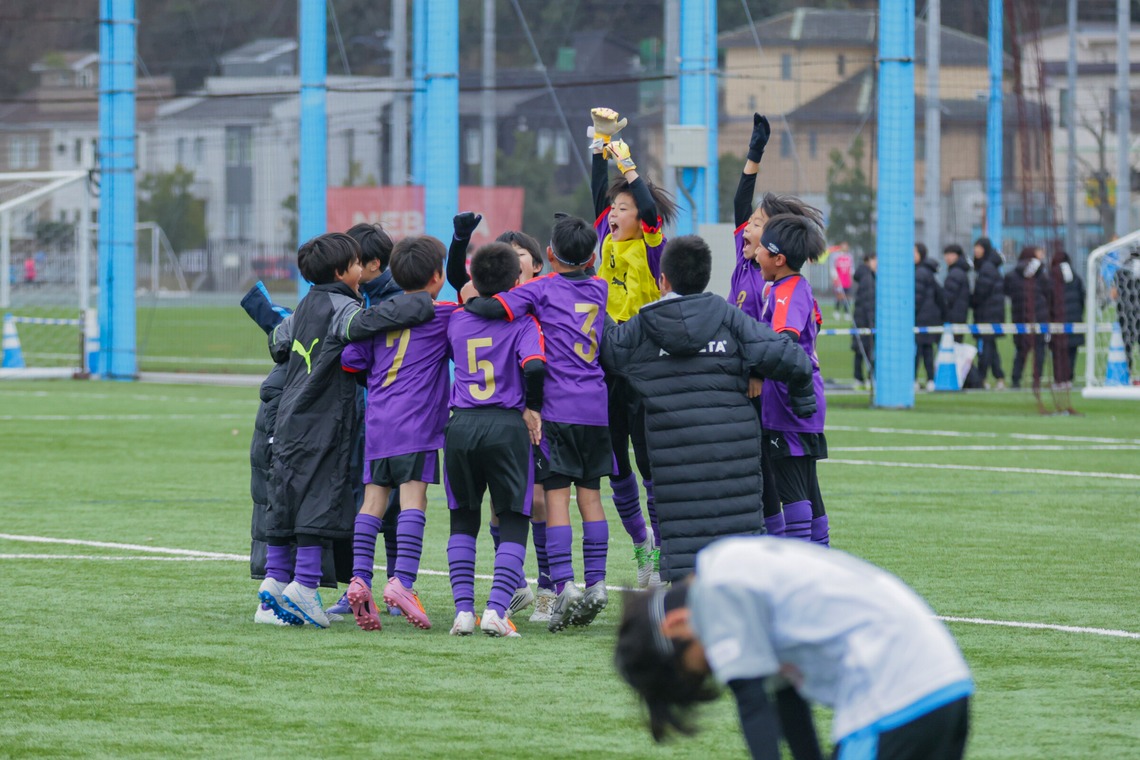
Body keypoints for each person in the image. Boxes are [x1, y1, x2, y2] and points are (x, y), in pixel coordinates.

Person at [614, 536, 974, 760]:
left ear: (675, 624)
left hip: (892, 699)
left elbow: (752, 702)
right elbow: (787, 701)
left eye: (702, 666)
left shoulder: (719, 586)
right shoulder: (743, 580)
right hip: (944, 684)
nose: (715, 668)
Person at [601, 235, 815, 583]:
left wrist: (592, 293)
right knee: (740, 570)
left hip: (675, 467)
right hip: (736, 461)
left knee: (688, 577)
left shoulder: (642, 328)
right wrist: (802, 402)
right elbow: (792, 357)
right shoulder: (730, 319)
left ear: (663, 281)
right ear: (705, 278)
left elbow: (607, 350)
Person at [258, 232, 437, 628]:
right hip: (324, 419)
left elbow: (277, 341)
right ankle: (304, 587)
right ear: (342, 272)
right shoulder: (343, 307)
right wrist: (420, 303)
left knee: (287, 496)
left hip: (289, 415)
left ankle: (274, 582)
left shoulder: (304, 306)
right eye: (357, 263)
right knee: (318, 499)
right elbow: (368, 323)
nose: (363, 270)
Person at [464, 215, 612, 632]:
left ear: (547, 256)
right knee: (592, 498)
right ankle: (597, 583)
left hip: (557, 408)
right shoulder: (599, 288)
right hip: (595, 408)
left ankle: (564, 584)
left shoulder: (539, 290)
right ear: (593, 257)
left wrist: (469, 300)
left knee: (557, 498)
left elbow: (494, 306)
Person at [340, 235, 457, 632]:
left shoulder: (379, 315)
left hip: (378, 423)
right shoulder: (443, 315)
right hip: (417, 425)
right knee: (413, 500)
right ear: (437, 277)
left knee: (372, 502)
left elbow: (351, 359)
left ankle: (359, 578)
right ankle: (403, 582)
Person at [445, 213, 556, 622]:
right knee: (513, 516)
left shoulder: (456, 318)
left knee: (463, 517)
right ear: (515, 280)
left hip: (461, 425)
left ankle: (463, 612)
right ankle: (497, 609)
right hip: (509, 424)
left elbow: (459, 286)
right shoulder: (523, 318)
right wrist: (532, 407)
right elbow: (535, 367)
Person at [590, 106, 678, 588]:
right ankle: (643, 548)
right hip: (607, 359)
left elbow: (647, 205)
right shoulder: (606, 238)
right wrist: (601, 143)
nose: (615, 214)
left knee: (650, 462)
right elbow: (594, 192)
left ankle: (665, 553)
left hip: (644, 356)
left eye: (624, 208)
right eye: (615, 209)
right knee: (616, 463)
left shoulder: (650, 242)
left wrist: (630, 169)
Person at [727, 114, 824, 538]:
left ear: (777, 249)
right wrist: (754, 154)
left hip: (772, 390)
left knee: (783, 479)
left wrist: (760, 373)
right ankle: (788, 554)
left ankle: (795, 560)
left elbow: (784, 342)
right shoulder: (749, 264)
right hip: (757, 386)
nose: (748, 227)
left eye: (758, 224)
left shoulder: (779, 284)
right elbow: (738, 204)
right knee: (769, 478)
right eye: (749, 223)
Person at [756, 214, 832, 546]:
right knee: (809, 490)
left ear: (779, 258)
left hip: (790, 407)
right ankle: (821, 562)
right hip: (802, 404)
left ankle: (802, 568)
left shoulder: (787, 290)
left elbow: (784, 340)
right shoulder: (793, 287)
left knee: (793, 489)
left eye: (761, 248)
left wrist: (753, 364)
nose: (756, 253)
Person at [1004, 246, 1051, 390]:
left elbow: (1006, 291)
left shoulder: (1011, 275)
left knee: (1021, 351)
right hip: (1039, 317)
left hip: (1020, 317)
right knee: (1039, 350)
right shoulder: (1041, 274)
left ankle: (1015, 380)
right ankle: (1036, 381)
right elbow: (1049, 292)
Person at [970, 237, 1006, 389]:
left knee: (986, 347)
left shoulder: (987, 268)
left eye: (979, 247)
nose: (976, 250)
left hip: (988, 314)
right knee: (990, 345)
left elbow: (981, 292)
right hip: (990, 312)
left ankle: (982, 378)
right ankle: (999, 378)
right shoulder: (987, 267)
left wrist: (971, 301)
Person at [1049, 250, 1084, 389]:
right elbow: (1082, 299)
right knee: (1071, 351)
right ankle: (1068, 379)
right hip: (1074, 319)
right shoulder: (1076, 277)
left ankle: (1059, 379)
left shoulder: (1051, 277)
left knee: (1058, 351)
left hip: (1058, 320)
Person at [914, 243, 946, 390]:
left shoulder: (919, 273)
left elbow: (917, 297)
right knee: (927, 349)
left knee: (918, 351)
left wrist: (911, 313)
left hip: (921, 318)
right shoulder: (927, 272)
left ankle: (914, 380)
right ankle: (930, 380)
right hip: (930, 317)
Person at [1112, 248, 1140, 374]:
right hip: (1134, 312)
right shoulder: (1123, 271)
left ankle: (1126, 373)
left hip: (1125, 312)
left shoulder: (1120, 271)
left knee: (1126, 346)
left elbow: (1114, 293)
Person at [851, 252, 876, 388]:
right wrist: (872, 321)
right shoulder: (867, 278)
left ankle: (860, 378)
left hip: (861, 319)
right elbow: (868, 303)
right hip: (865, 321)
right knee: (865, 349)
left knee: (861, 349)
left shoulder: (867, 276)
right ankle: (865, 378)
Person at [942, 244, 970, 343]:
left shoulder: (955, 273)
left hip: (954, 317)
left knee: (953, 346)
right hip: (959, 315)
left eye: (951, 254)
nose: (948, 257)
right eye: (946, 254)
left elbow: (948, 297)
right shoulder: (959, 271)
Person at [830, 242, 854, 321]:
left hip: (847, 280)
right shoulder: (836, 256)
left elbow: (851, 268)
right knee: (840, 296)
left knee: (847, 296)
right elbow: (833, 268)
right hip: (839, 281)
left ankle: (846, 312)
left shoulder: (849, 257)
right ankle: (836, 311)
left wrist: (851, 278)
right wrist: (835, 278)